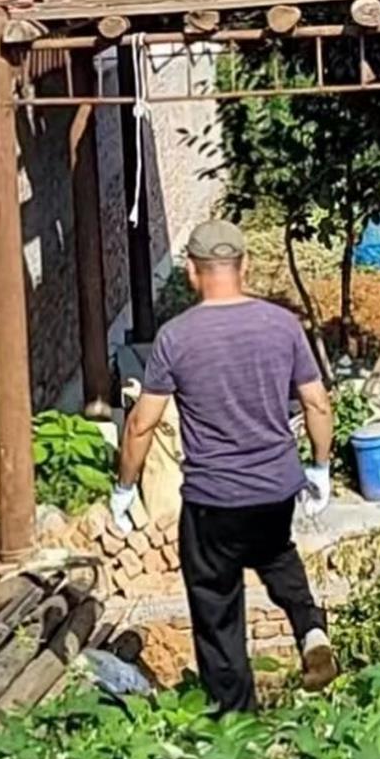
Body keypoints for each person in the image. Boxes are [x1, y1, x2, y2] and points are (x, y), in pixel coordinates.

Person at [110, 219, 336, 712]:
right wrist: (319, 468)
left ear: (191, 271)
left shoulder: (176, 337)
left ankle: (238, 724)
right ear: (245, 266)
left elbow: (141, 426)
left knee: (216, 609)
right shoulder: (282, 325)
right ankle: (309, 626)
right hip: (276, 489)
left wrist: (124, 487)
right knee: (276, 552)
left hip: (213, 501)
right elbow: (317, 405)